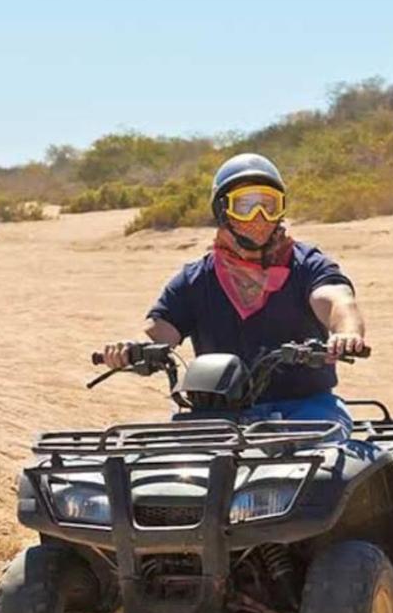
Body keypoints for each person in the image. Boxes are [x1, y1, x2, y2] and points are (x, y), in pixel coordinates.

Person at [102, 153, 367, 436]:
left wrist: (346, 333)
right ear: (222, 211)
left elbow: (337, 299)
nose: (259, 217)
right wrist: (132, 350)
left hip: (305, 407)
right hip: (216, 414)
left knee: (325, 463)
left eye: (269, 205)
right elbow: (160, 331)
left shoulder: (306, 265)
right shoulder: (195, 279)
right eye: (245, 206)